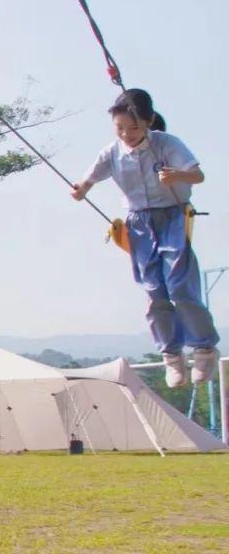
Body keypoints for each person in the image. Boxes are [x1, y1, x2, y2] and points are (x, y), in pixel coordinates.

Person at [71, 89, 218, 388]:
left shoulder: (166, 144)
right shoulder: (111, 152)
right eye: (120, 128)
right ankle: (171, 355)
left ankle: (203, 348)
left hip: (173, 215)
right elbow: (89, 178)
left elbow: (197, 175)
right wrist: (81, 189)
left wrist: (177, 175)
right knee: (154, 290)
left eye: (134, 127)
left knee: (179, 284)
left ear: (149, 121)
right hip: (139, 222)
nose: (127, 134)